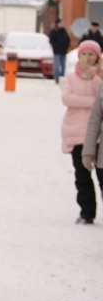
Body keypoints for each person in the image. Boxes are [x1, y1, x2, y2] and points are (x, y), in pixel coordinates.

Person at [60, 40, 103, 225]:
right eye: (84, 54)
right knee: (82, 175)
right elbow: (67, 99)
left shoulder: (99, 79)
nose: (87, 58)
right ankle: (87, 212)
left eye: (91, 54)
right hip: (77, 132)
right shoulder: (71, 78)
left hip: (98, 136)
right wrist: (92, 102)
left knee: (101, 176)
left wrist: (93, 78)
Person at [49, 18, 71, 84]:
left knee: (63, 66)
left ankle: (62, 78)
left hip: (63, 51)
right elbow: (51, 41)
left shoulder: (64, 31)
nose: (62, 24)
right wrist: (56, 47)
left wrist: (66, 47)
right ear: (57, 24)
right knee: (57, 65)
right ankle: (57, 79)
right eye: (60, 23)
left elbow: (68, 40)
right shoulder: (54, 31)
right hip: (57, 52)